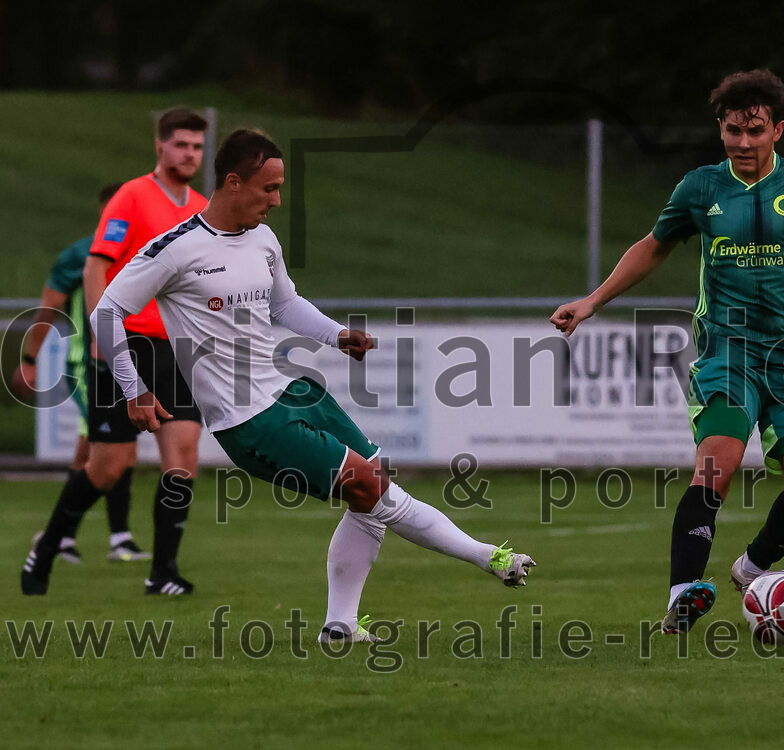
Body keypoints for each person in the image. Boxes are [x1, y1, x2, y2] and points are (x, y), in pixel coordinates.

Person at [88, 128, 535, 640]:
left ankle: (340, 625)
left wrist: (336, 334)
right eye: (268, 189)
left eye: (280, 189)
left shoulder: (262, 238)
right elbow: (107, 312)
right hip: (247, 420)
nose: (277, 201)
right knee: (369, 487)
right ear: (233, 182)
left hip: (291, 390)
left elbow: (283, 303)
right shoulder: (174, 250)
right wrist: (135, 389)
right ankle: (489, 556)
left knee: (373, 486)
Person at [550, 69, 784, 634]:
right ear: (719, 131)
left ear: (778, 130)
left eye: (755, 131)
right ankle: (682, 594)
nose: (744, 143)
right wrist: (593, 300)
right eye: (732, 132)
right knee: (717, 460)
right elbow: (653, 247)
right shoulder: (700, 188)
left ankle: (752, 568)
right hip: (728, 354)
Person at [21, 108, 209, 596]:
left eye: (197, 146)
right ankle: (45, 549)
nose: (190, 153)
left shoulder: (203, 208)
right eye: (181, 144)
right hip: (126, 346)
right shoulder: (131, 197)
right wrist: (104, 334)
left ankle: (162, 572)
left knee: (183, 458)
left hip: (179, 350)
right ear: (160, 147)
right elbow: (95, 267)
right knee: (107, 467)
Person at [12, 182, 150, 564]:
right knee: (102, 446)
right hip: (88, 362)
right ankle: (81, 538)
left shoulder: (148, 250)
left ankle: (73, 538)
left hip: (126, 360)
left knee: (111, 449)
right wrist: (30, 359)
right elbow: (47, 309)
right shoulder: (82, 255)